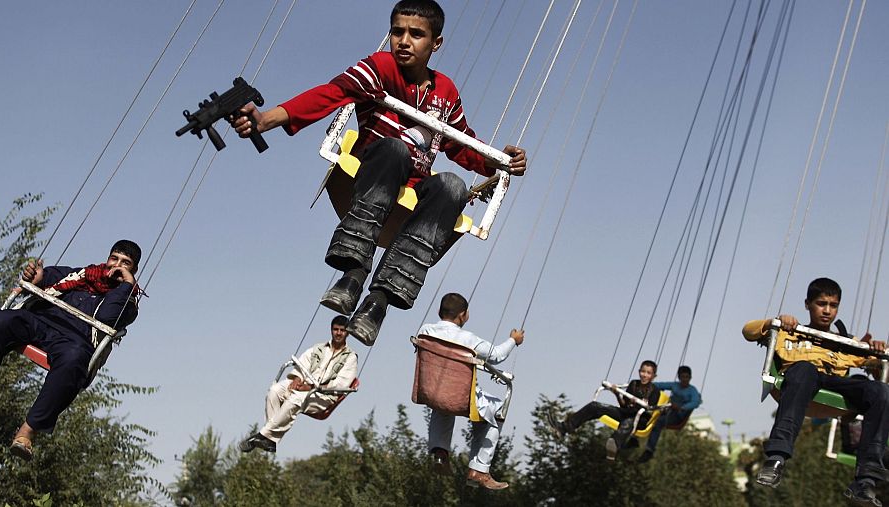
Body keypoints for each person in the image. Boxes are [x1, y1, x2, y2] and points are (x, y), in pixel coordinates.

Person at [230, 0, 528, 347]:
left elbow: (461, 144)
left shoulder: (445, 91)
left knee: (453, 185)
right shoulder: (379, 68)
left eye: (416, 34)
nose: (404, 41)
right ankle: (354, 273)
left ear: (436, 44)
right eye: (397, 32)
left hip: (414, 191)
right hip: (376, 173)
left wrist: (498, 162)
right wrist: (267, 119)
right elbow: (332, 93)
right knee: (395, 148)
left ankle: (379, 302)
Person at [0, 240, 141, 461]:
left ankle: (26, 432)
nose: (117, 265)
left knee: (73, 361)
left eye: (125, 263)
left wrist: (126, 285)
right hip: (40, 322)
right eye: (114, 258)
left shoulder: (127, 303)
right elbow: (47, 277)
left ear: (133, 271)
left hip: (73, 341)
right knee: (1, 321)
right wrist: (37, 277)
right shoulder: (81, 275)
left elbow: (107, 317)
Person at [743, 277, 889, 505]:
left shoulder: (844, 341)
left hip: (833, 383)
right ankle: (777, 458)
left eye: (833, 306)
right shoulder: (792, 332)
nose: (827, 311)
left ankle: (866, 480)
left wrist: (878, 353)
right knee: (804, 369)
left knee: (881, 391)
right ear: (807, 304)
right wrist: (776, 321)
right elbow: (748, 330)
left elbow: (874, 365)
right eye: (821, 304)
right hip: (801, 381)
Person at [418, 292, 523, 490]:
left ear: (439, 311)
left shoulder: (425, 330)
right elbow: (497, 355)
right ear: (463, 315)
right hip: (462, 397)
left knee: (443, 402)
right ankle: (479, 469)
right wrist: (513, 340)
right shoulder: (468, 339)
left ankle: (440, 452)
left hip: (432, 390)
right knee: (498, 409)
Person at [240, 315, 358, 453]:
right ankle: (270, 441)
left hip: (323, 395)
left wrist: (311, 387)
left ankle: (261, 435)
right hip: (304, 385)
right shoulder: (319, 348)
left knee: (296, 399)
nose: (338, 333)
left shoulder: (350, 357)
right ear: (331, 330)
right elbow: (303, 363)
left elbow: (340, 384)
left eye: (342, 330)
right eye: (335, 329)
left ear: (347, 333)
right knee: (275, 390)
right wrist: (297, 378)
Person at [546, 360, 662, 461]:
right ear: (639, 371)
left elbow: (650, 409)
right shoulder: (634, 384)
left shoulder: (654, 391)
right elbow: (623, 406)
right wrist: (617, 394)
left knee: (628, 422)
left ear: (653, 376)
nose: (644, 375)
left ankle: (615, 444)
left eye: (648, 373)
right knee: (595, 406)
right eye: (643, 371)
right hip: (625, 413)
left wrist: (639, 404)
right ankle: (564, 427)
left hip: (639, 419)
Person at [637, 364, 701, 463]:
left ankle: (649, 450)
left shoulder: (692, 391)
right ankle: (633, 438)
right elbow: (659, 385)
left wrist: (681, 407)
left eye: (687, 377)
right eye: (682, 377)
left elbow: (695, 402)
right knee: (646, 416)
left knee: (658, 423)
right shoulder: (675, 385)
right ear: (679, 377)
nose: (684, 380)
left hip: (678, 415)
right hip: (668, 410)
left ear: (690, 378)